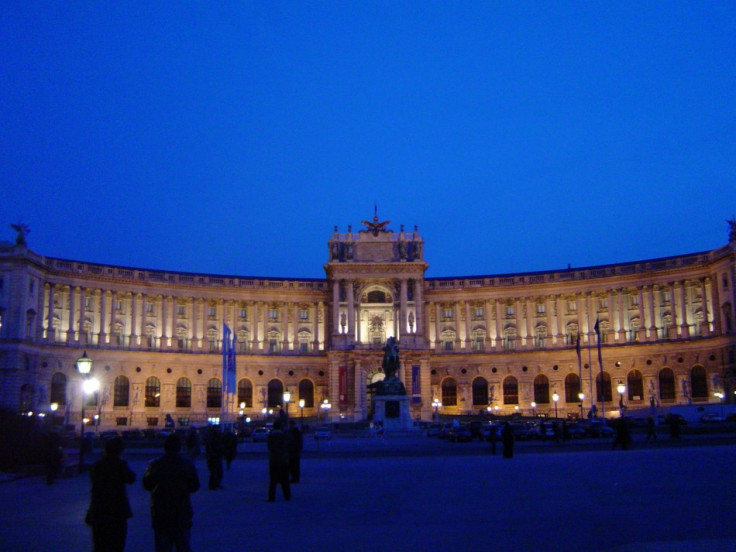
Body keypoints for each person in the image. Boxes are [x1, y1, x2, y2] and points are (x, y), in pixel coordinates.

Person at [142, 434, 200, 552]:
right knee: (182, 545)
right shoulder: (187, 465)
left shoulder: (154, 465)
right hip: (181, 509)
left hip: (160, 510)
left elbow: (147, 485)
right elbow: (194, 486)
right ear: (179, 448)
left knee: (162, 546)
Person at [86, 437, 136, 552]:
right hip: (117, 510)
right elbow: (131, 478)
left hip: (100, 510)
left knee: (99, 545)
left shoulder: (97, 465)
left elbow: (95, 487)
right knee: (117, 544)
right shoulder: (120, 464)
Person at [267, 419, 291, 501]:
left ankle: (271, 497)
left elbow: (269, 447)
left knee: (272, 481)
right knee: (285, 480)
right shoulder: (284, 436)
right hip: (283, 460)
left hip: (273, 460)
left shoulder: (271, 436)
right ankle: (287, 495)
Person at [203, 426, 224, 490]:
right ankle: (212, 485)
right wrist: (212, 453)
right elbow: (209, 447)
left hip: (216, 455)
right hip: (213, 456)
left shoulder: (218, 436)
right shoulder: (211, 437)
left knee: (218, 472)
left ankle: (216, 484)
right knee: (214, 472)